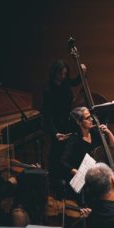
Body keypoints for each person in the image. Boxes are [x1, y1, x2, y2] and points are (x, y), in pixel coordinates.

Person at [60, 107, 114, 198]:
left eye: (91, 117)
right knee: (110, 187)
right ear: (78, 122)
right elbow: (63, 162)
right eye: (87, 118)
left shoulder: (94, 132)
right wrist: (77, 172)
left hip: (102, 171)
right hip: (92, 177)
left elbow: (111, 145)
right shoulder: (74, 140)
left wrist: (108, 132)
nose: (91, 119)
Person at [42, 59, 85, 196]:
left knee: (69, 149)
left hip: (68, 122)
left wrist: (82, 73)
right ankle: (54, 181)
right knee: (56, 152)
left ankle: (69, 177)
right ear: (54, 73)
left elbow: (75, 82)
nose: (64, 76)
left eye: (65, 73)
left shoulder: (66, 82)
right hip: (56, 125)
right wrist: (55, 133)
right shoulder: (48, 90)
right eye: (62, 74)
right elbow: (47, 115)